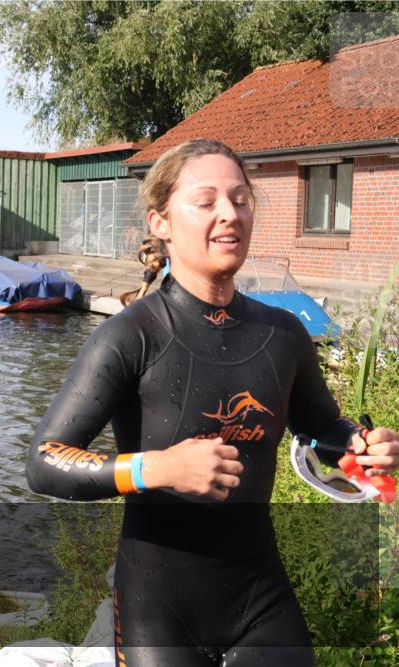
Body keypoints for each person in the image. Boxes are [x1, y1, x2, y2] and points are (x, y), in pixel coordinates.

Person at [26, 139, 399, 667]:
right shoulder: (130, 336)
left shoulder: (282, 334)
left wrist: (362, 445)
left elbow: (318, 426)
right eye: (206, 202)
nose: (230, 214)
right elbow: (45, 461)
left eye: (241, 199)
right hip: (158, 606)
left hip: (260, 595)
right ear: (160, 221)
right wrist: (156, 467)